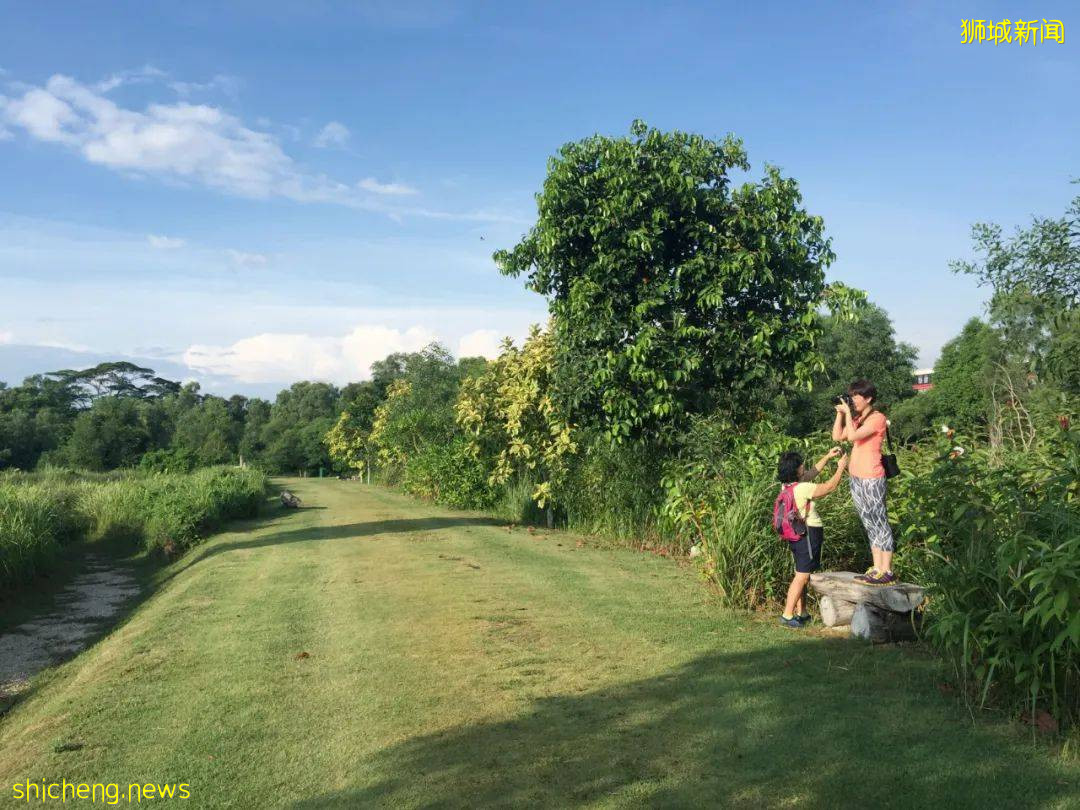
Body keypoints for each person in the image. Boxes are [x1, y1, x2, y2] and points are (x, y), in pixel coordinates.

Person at [832, 379, 896, 585]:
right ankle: (877, 568)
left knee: (880, 522)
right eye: (850, 397)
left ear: (868, 398)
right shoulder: (859, 418)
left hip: (872, 478)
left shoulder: (877, 418)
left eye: (855, 397)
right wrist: (840, 414)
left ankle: (887, 570)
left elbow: (852, 437)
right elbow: (837, 436)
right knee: (869, 523)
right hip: (856, 477)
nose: (852, 400)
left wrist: (849, 414)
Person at [776, 446, 848, 628]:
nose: (804, 467)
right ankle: (787, 615)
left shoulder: (788, 486)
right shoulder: (803, 489)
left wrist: (827, 457)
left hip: (796, 535)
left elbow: (811, 474)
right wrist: (841, 466)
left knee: (802, 575)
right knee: (801, 576)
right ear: (796, 469)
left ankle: (803, 613)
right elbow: (830, 487)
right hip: (807, 535)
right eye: (801, 465)